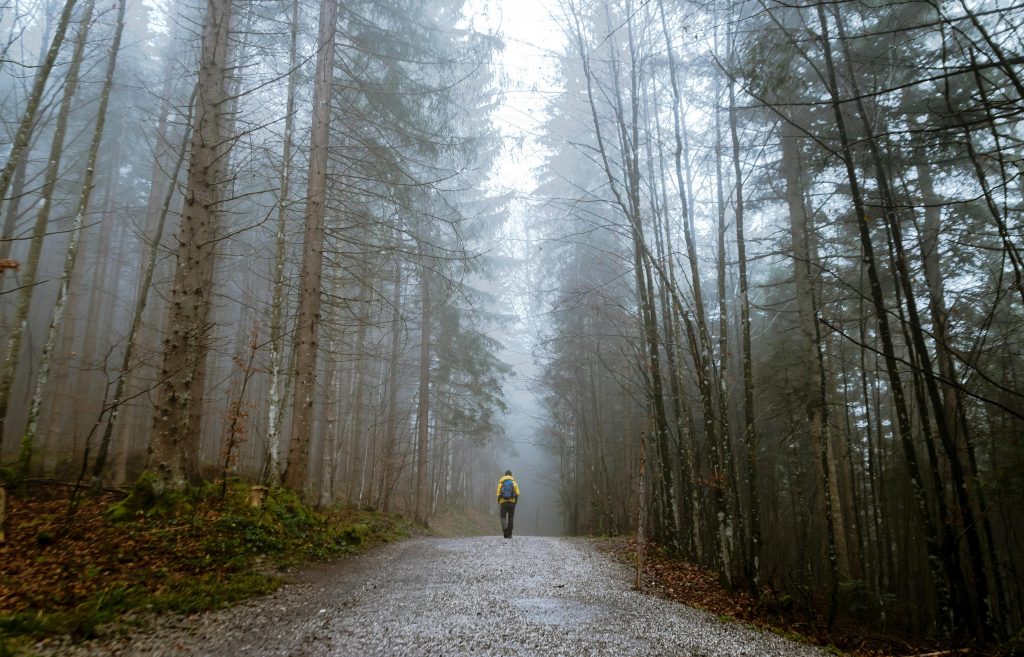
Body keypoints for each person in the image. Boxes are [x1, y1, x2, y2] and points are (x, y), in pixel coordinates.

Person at [496, 470, 520, 539]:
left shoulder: (501, 483)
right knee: (510, 518)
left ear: (505, 475)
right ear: (511, 475)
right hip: (512, 503)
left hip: (503, 503)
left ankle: (505, 530)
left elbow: (498, 493)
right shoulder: (514, 483)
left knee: (502, 516)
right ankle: (510, 534)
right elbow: (518, 493)